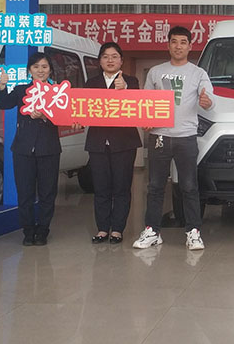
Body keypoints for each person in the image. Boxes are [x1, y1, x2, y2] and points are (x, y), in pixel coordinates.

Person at [133, 26, 213, 251]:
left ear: (190, 46)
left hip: (186, 137)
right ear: (168, 45)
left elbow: (209, 99)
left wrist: (207, 102)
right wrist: (146, 119)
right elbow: (146, 102)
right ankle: (152, 231)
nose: (178, 46)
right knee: (155, 186)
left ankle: (193, 232)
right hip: (159, 136)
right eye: (174, 42)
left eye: (183, 42)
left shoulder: (198, 73)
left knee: (189, 186)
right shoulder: (156, 72)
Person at [0, 52, 61, 246]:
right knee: (24, 193)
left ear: (50, 70)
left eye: (44, 67)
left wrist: (44, 117)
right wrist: (2, 85)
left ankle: (43, 231)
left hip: (48, 149)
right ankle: (28, 231)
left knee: (47, 193)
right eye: (36, 67)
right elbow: (5, 103)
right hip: (23, 149)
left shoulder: (57, 92)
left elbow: (63, 117)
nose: (40, 70)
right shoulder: (21, 90)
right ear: (29, 70)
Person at [84, 42, 142, 245]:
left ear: (121, 61)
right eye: (105, 56)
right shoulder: (91, 83)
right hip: (98, 143)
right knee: (101, 187)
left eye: (114, 56)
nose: (110, 60)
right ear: (100, 61)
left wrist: (125, 90)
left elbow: (138, 107)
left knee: (122, 187)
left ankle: (117, 229)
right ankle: (102, 229)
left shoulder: (131, 81)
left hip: (124, 143)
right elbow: (83, 109)